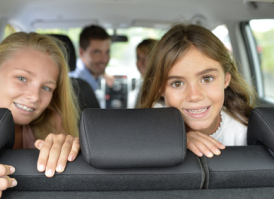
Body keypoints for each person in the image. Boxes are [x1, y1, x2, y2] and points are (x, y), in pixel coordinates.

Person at [0, 32, 80, 198]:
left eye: (46, 88)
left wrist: (73, 151)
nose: (35, 97)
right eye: (22, 78)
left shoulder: (53, 123)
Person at [140, 23, 257, 158]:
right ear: (160, 88)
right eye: (177, 83)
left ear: (226, 80)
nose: (194, 96)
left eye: (207, 79)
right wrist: (177, 140)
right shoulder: (150, 124)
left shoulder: (245, 132)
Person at [68, 24, 114, 91]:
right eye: (97, 52)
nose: (104, 59)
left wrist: (103, 73)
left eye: (107, 52)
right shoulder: (76, 85)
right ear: (81, 53)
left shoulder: (91, 72)